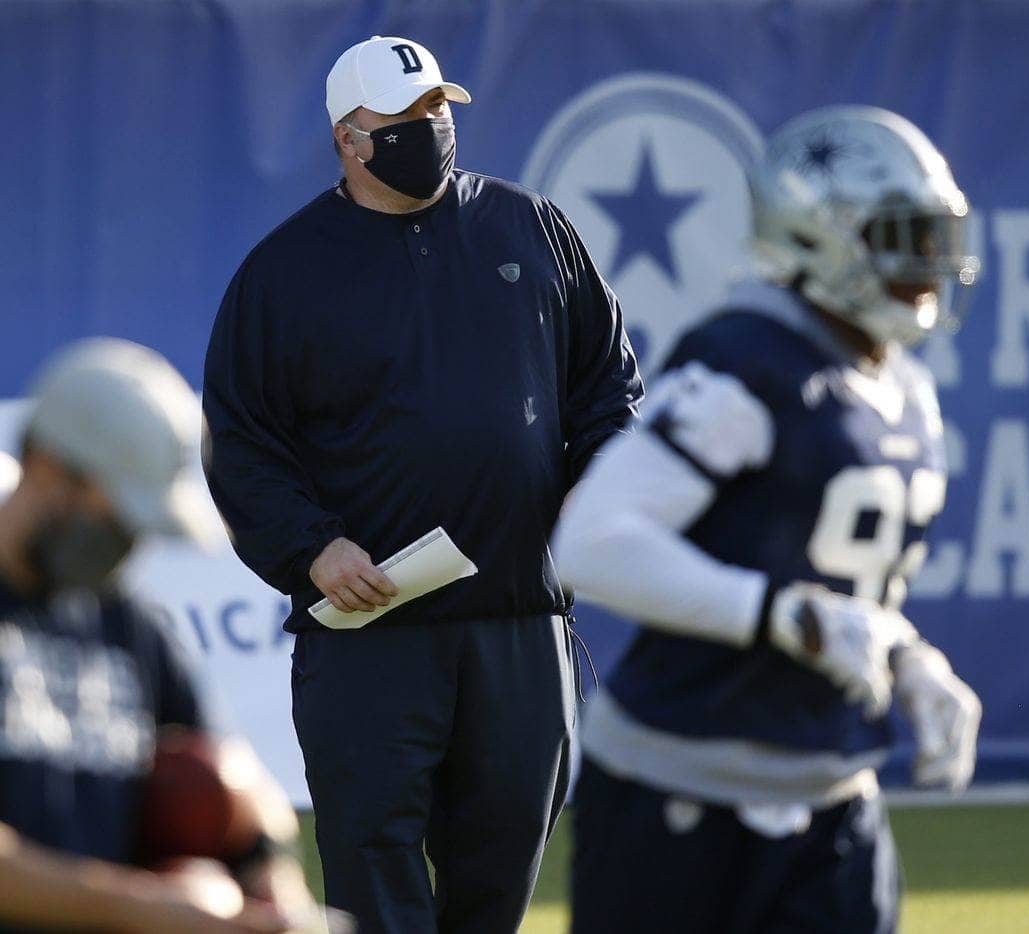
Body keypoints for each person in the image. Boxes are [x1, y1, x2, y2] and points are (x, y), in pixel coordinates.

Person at [201, 35, 641, 934]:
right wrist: (311, 547)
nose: (430, 129)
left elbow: (607, 389)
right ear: (349, 139)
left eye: (438, 108)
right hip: (371, 631)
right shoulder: (285, 271)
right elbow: (240, 442)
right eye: (403, 117)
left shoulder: (532, 228)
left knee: (505, 854)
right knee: (372, 864)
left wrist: (598, 498)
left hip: (520, 619)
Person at [552, 105, 983, 934]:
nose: (929, 264)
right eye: (902, 235)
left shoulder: (906, 393)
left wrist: (911, 657)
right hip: (678, 790)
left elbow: (843, 594)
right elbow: (593, 544)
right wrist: (782, 617)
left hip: (830, 794)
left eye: (936, 237)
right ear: (821, 235)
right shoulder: (748, 364)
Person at [0, 338, 312, 933]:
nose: (127, 543)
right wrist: (138, 908)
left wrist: (273, 884)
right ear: (46, 465)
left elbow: (233, 781)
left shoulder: (128, 625)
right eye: (117, 514)